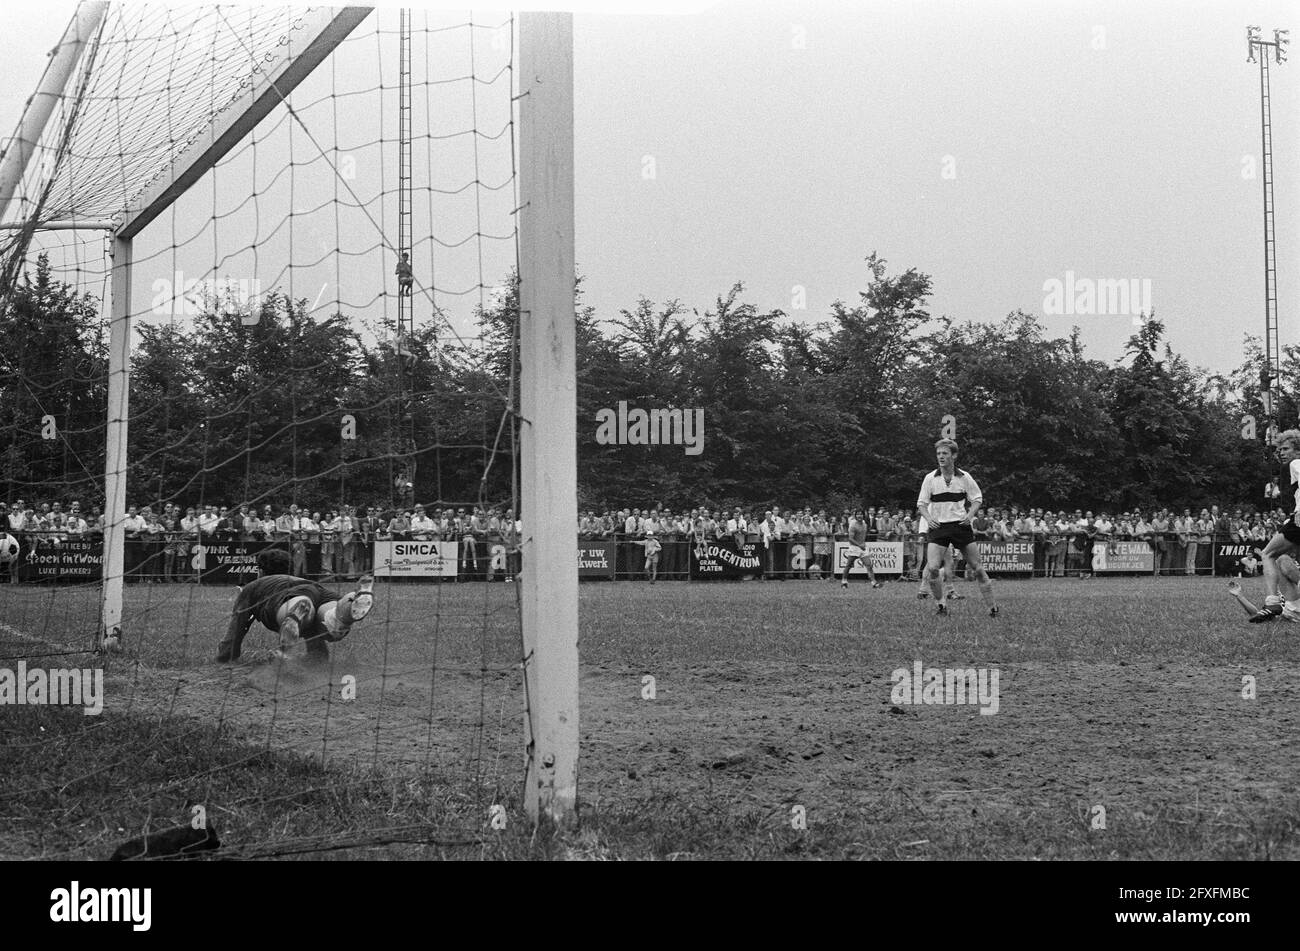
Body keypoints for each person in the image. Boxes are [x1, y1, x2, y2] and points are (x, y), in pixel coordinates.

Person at [217, 546, 376, 664]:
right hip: (319, 592)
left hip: (286, 597)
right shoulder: (299, 580)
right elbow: (314, 641)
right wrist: (317, 656)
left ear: (261, 571)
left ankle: (298, 610)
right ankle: (349, 605)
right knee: (332, 619)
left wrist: (226, 655)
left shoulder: (256, 584)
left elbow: (237, 626)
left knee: (300, 608)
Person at [917, 438, 998, 616]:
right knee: (932, 568)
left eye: (945, 453)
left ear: (954, 455)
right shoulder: (930, 478)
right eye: (938, 453)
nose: (941, 457)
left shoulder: (964, 477)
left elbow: (977, 498)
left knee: (977, 567)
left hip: (960, 526)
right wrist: (929, 518)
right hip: (939, 527)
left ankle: (993, 608)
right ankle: (941, 605)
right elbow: (921, 504)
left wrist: (970, 516)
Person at [1252, 429, 1300, 621]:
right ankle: (1294, 607)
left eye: (1286, 448)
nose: (1281, 452)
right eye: (1279, 449)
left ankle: (1273, 601)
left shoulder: (1296, 463)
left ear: (1298, 450)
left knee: (1268, 554)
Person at [1227, 554, 1300, 622]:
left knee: (1282, 559)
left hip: (1293, 606)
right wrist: (1239, 596)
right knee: (1281, 559)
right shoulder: (1274, 600)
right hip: (1292, 612)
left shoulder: (1274, 596)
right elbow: (1256, 614)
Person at [841, 510, 881, 589]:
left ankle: (874, 583)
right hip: (854, 548)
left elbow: (863, 535)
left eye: (861, 514)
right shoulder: (853, 525)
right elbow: (850, 539)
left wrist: (863, 544)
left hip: (862, 547)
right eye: (858, 514)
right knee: (848, 565)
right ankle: (844, 582)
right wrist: (859, 545)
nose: (859, 516)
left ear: (863, 515)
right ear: (855, 516)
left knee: (869, 565)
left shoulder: (864, 524)